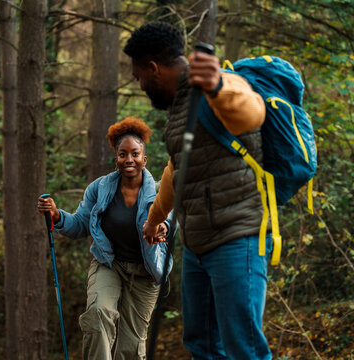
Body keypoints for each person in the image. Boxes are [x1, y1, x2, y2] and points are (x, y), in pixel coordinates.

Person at [123, 22, 273, 360]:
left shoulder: (220, 83)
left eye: (138, 77)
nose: (140, 85)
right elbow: (177, 170)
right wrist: (154, 218)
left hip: (236, 237)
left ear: (153, 68)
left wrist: (217, 84)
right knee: (201, 346)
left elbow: (253, 112)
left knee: (243, 349)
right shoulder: (178, 107)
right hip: (197, 245)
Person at [37, 117, 173, 360]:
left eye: (134, 153)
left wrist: (162, 227)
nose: (128, 159)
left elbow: (168, 222)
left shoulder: (161, 191)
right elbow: (80, 225)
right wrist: (57, 215)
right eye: (122, 154)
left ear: (144, 158)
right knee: (98, 314)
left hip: (145, 273)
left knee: (130, 348)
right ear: (116, 158)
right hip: (109, 265)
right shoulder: (100, 189)